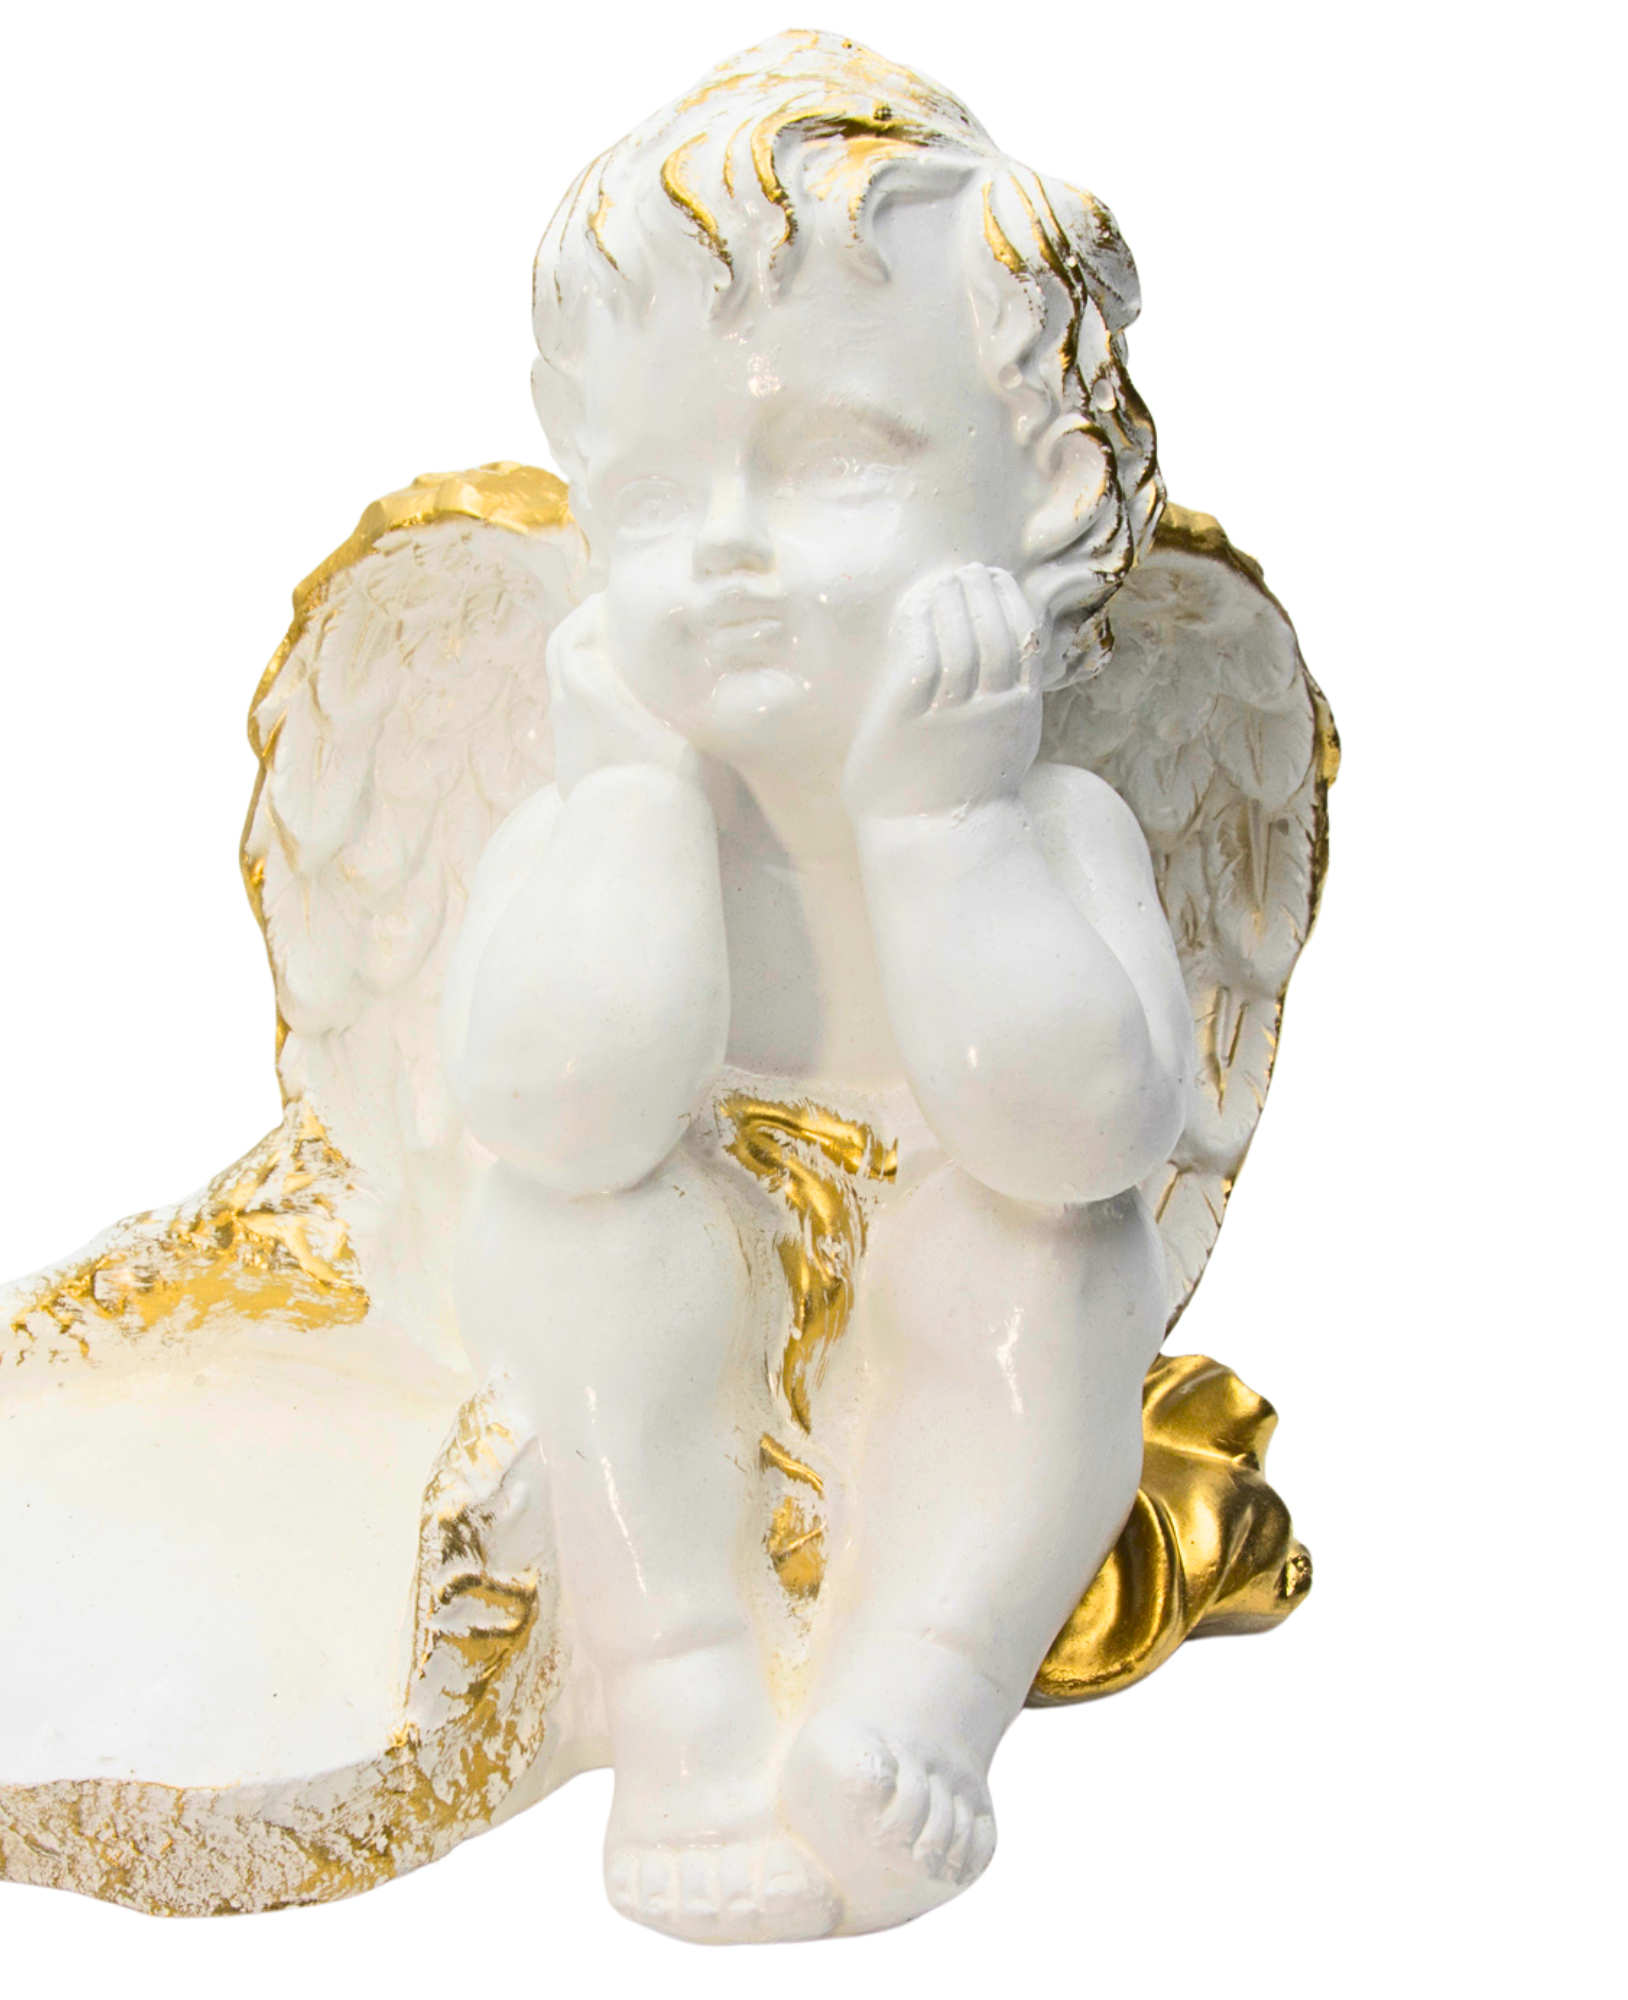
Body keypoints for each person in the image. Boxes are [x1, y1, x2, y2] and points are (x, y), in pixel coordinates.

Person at [440, 28, 1192, 1942]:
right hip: (663, 1315)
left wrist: (945, 827)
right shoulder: (589, 811)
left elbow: (1084, 1136)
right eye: (651, 497)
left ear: (1043, 496)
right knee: (579, 1232)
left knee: (1050, 1255)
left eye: (841, 459)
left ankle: (918, 1689)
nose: (726, 554)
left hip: (952, 1283)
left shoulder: (1054, 822)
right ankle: (679, 1683)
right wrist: (627, 807)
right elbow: (557, 1116)